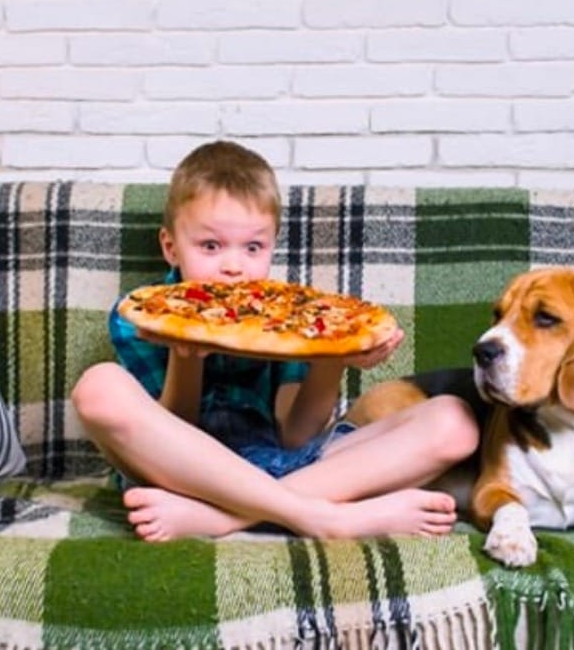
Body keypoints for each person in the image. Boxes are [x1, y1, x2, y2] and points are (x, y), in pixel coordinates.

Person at [72, 140, 480, 542]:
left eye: (253, 247)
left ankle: (223, 520)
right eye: (211, 246)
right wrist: (186, 357)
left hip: (278, 463)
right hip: (179, 476)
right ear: (170, 246)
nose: (233, 266)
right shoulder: (145, 316)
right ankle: (321, 517)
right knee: (98, 387)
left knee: (455, 421)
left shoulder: (292, 317)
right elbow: (169, 433)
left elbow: (296, 437)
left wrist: (333, 355)